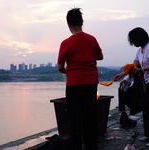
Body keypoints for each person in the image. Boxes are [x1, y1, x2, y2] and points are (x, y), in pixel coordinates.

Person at [57, 8, 103, 150]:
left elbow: (60, 66)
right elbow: (100, 57)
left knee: (75, 121)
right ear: (82, 22)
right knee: (90, 119)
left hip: (74, 84)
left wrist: (67, 72)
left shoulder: (66, 43)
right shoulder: (92, 39)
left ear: (68, 24)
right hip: (90, 83)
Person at [114, 27, 149, 147]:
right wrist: (122, 74)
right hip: (147, 83)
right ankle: (148, 134)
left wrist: (141, 70)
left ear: (139, 38)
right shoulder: (140, 50)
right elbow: (133, 66)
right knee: (146, 109)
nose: (133, 43)